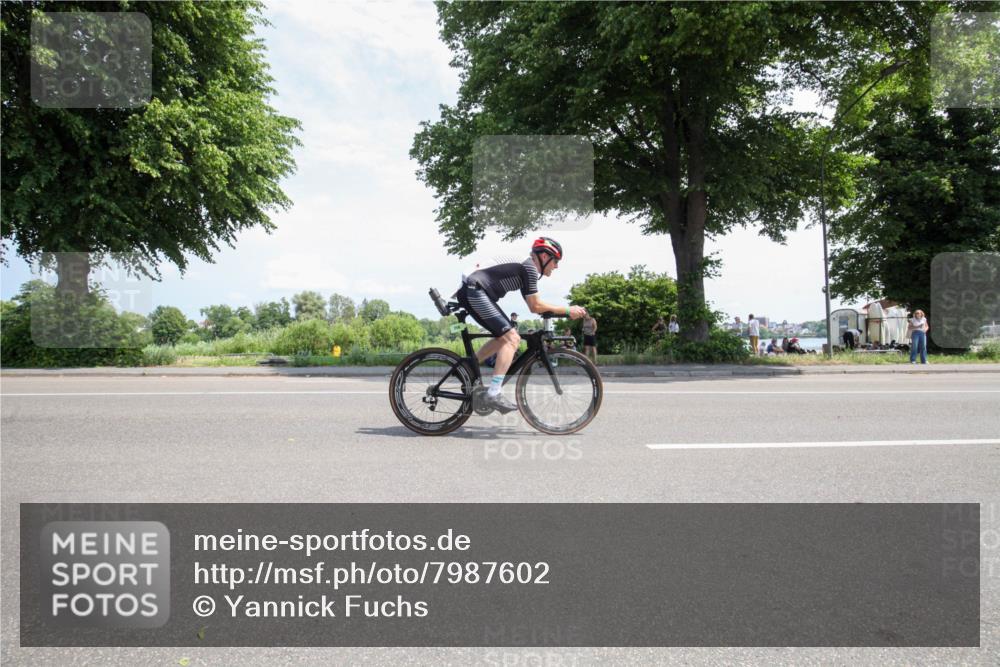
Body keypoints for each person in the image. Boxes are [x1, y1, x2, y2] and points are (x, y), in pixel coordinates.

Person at [454, 237, 586, 413]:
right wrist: (567, 310)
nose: (556, 266)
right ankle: (494, 393)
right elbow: (536, 306)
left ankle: (468, 366)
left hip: (475, 290)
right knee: (512, 338)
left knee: (505, 337)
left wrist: (560, 311)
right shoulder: (529, 268)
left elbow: (534, 306)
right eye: (555, 261)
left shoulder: (527, 269)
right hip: (474, 289)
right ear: (545, 257)